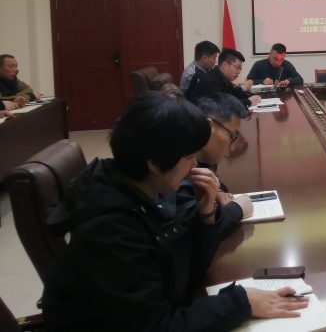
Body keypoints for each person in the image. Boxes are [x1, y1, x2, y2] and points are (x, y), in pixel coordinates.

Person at [43, 93, 307, 331]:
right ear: (155, 162)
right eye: (189, 157)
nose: (195, 165)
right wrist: (241, 301)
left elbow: (185, 270)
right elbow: (157, 326)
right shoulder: (110, 230)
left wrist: (206, 216)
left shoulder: (145, 188)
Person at [180, 93, 254, 238]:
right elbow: (193, 234)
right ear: (209, 127)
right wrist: (237, 209)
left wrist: (217, 191)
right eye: (232, 136)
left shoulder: (202, 161)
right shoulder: (179, 167)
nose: (233, 147)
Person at [188, 49, 261, 107]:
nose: (239, 71)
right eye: (237, 67)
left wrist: (252, 97)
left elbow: (233, 93)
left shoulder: (222, 77)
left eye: (240, 69)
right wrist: (249, 102)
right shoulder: (211, 80)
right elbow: (224, 105)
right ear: (225, 65)